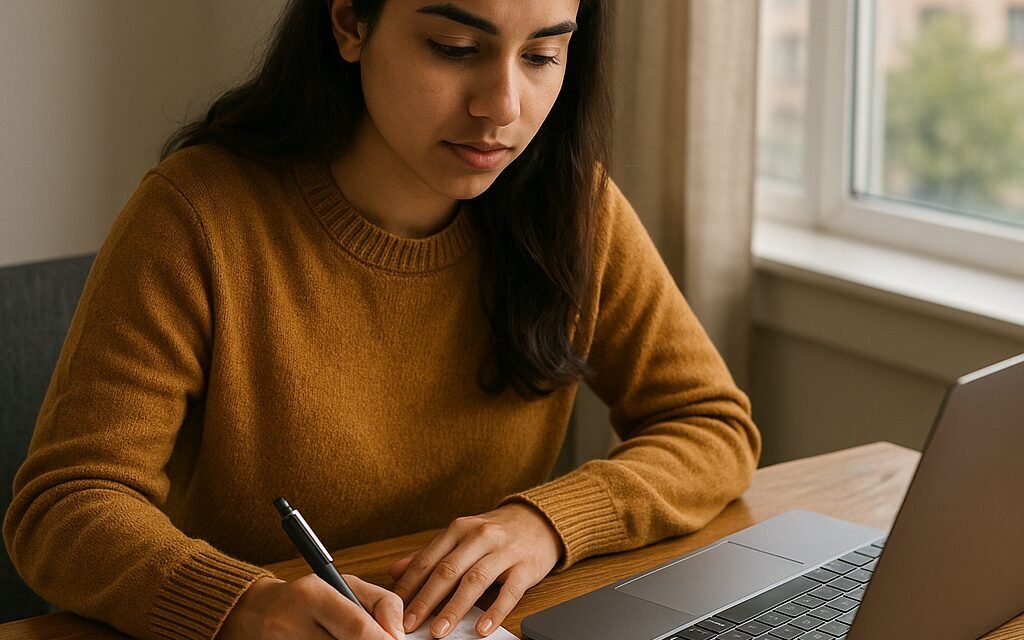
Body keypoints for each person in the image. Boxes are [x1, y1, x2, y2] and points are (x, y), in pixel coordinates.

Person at [2, 0, 761, 639]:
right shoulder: (198, 214)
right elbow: (64, 503)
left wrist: (547, 523)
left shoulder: (572, 207)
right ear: (349, 24)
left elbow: (712, 425)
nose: (502, 106)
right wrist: (244, 605)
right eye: (456, 47)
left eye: (542, 55)